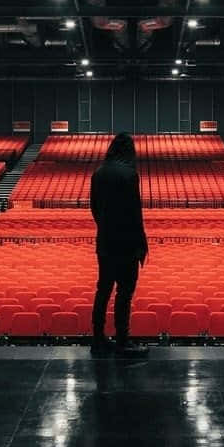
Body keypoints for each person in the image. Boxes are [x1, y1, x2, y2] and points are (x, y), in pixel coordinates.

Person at [88, 132, 148, 357]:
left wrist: (105, 227)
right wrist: (141, 244)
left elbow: (93, 207)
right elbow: (135, 213)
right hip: (126, 243)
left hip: (105, 241)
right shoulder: (130, 174)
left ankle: (98, 338)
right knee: (124, 292)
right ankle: (122, 339)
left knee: (103, 290)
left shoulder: (99, 173)